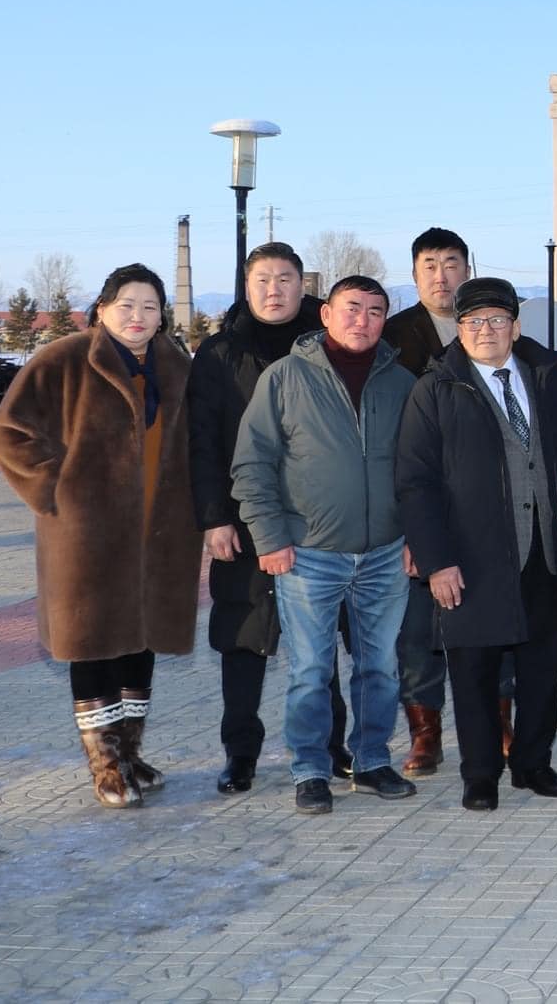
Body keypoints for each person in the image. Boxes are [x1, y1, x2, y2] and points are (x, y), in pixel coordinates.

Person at [0, 264, 200, 808]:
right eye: (126, 305)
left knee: (141, 640)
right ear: (103, 309)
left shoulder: (176, 365)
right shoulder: (65, 358)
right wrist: (58, 490)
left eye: (150, 307)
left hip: (158, 534)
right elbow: (9, 431)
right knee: (93, 644)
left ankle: (129, 752)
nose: (138, 317)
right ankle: (105, 764)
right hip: (87, 535)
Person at [397, 278, 557, 812]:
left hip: (543, 552)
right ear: (459, 329)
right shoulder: (436, 388)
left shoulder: (547, 376)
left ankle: (532, 763)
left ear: (515, 325)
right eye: (474, 322)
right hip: (472, 556)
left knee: (542, 665)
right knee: (474, 670)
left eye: (497, 320)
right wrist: (437, 562)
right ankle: (480, 774)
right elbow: (415, 482)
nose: (486, 331)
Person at [231, 275, 419, 814]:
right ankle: (310, 768)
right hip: (308, 552)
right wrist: (269, 536)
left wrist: (417, 539)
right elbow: (252, 463)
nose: (363, 320)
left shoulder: (401, 382)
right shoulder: (285, 378)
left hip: (386, 550)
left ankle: (372, 760)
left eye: (376, 311)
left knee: (379, 666)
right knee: (311, 668)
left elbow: (420, 468)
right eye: (352, 309)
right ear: (327, 315)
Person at [189, 243, 352, 795]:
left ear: (302, 284)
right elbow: (203, 443)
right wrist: (215, 518)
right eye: (263, 279)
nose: (274, 289)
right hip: (245, 517)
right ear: (247, 283)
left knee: (318, 640)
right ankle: (241, 752)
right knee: (243, 637)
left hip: (317, 521)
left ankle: (332, 747)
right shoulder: (218, 354)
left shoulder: (330, 346)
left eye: (285, 278)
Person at [381, 226, 471, 776]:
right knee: (417, 633)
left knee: (487, 625)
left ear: (468, 268)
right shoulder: (393, 337)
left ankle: (498, 727)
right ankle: (425, 736)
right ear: (415, 275)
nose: (442, 275)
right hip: (414, 504)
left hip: (480, 504)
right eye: (430, 265)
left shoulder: (488, 327)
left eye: (452, 263)